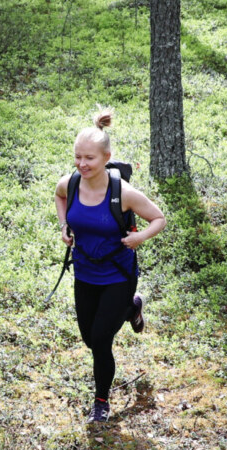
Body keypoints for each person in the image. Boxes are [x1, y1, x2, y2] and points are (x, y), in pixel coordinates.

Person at [55, 110, 167, 424]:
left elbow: (159, 218)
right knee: (90, 338)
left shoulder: (124, 194)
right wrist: (64, 226)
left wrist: (140, 238)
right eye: (77, 157)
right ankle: (133, 309)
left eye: (89, 158)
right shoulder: (73, 184)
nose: (82, 164)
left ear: (107, 157)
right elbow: (58, 196)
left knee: (101, 341)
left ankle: (101, 403)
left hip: (118, 275)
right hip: (85, 273)